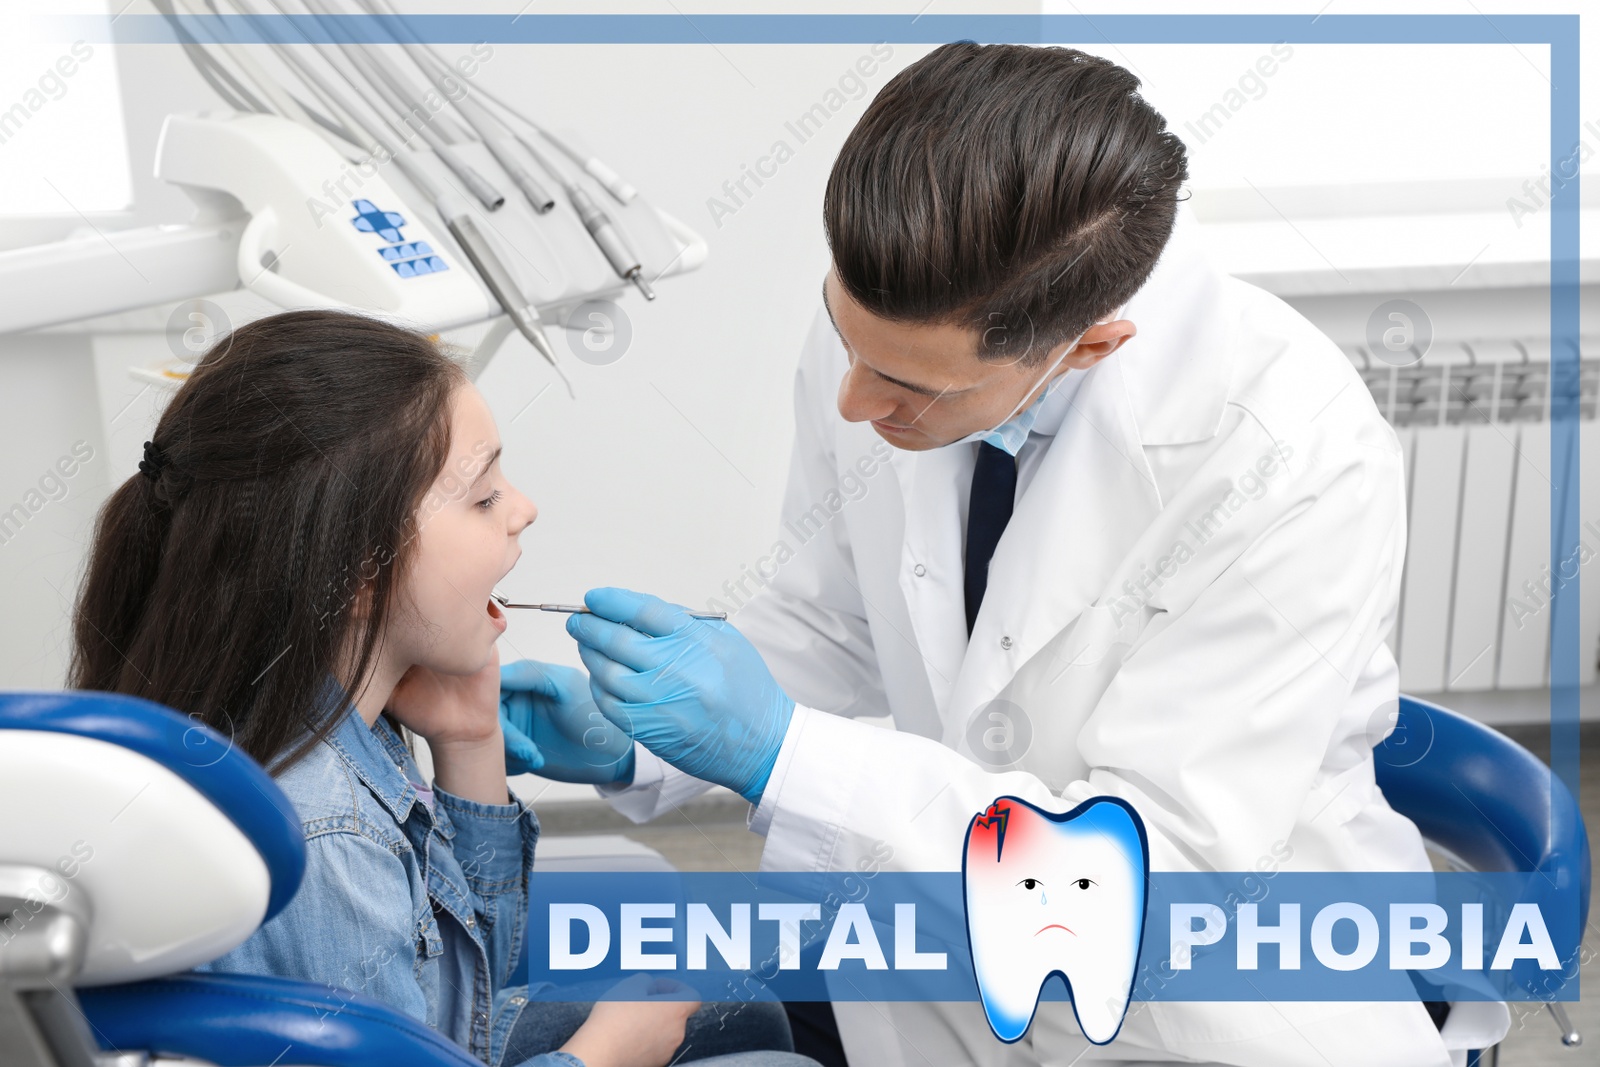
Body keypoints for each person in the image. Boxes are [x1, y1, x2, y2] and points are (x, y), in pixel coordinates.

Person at [500, 43, 1511, 1067]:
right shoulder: (899, 328)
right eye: (849, 345)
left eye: (911, 388)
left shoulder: (1290, 452)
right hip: (939, 959)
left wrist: (781, 754)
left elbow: (1158, 884)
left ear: (1089, 344)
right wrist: (637, 737)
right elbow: (835, 616)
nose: (855, 400)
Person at [68, 309, 815, 1067]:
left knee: (739, 1009)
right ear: (358, 570)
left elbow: (461, 984)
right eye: (484, 497)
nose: (523, 508)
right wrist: (599, 1058)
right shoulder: (328, 834)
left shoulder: (330, 712)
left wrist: (469, 742)